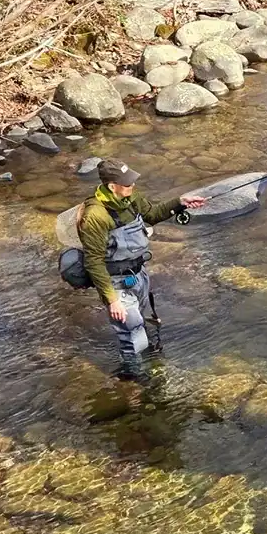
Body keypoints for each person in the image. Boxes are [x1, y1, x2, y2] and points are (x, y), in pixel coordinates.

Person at [77, 159, 206, 379]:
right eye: (127, 184)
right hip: (116, 283)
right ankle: (134, 379)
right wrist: (112, 300)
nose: (132, 186)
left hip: (138, 275)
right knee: (131, 331)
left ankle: (148, 368)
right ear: (112, 187)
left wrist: (181, 202)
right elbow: (94, 261)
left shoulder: (131, 198)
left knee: (141, 327)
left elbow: (153, 215)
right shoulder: (95, 217)